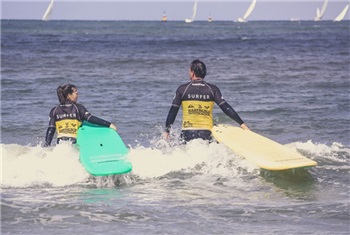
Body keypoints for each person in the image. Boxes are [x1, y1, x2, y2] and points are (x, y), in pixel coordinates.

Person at [164, 59, 249, 143]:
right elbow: (225, 107)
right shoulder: (212, 89)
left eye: (189, 71)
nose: (188, 73)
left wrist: (167, 131)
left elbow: (173, 111)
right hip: (207, 132)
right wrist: (242, 124)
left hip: (188, 132)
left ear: (193, 72)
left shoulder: (182, 89)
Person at [44, 84, 117, 146]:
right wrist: (109, 124)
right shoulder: (78, 108)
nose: (77, 95)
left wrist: (46, 145)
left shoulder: (54, 110)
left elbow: (51, 129)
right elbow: (91, 118)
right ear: (69, 95)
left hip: (61, 145)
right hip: (73, 144)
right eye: (76, 93)